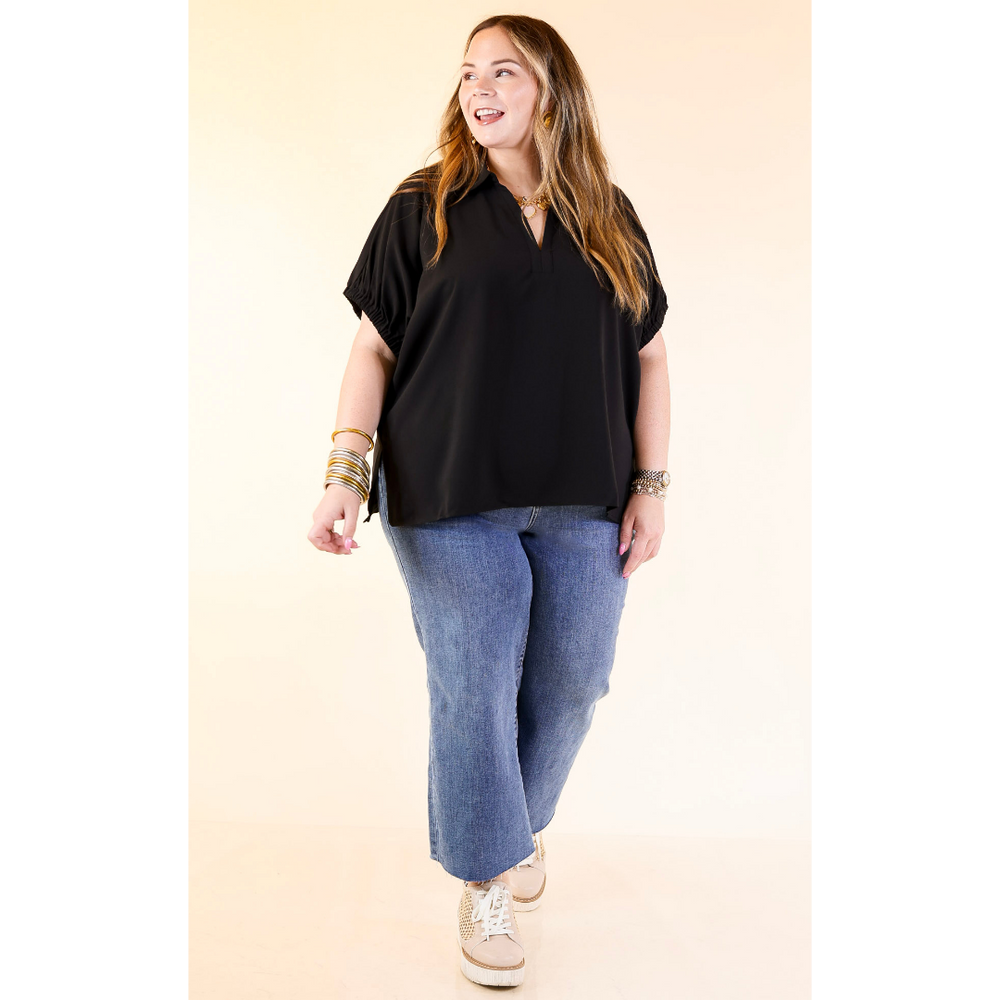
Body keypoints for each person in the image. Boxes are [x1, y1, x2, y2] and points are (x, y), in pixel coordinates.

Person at [307, 13, 671, 988]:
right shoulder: (422, 205)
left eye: (504, 70)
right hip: (447, 489)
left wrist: (651, 485)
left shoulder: (609, 215)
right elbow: (372, 349)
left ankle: (512, 825)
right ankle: (486, 877)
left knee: (574, 680)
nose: (480, 87)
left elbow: (649, 357)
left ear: (552, 90)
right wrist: (345, 472)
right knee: (474, 680)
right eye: (470, 71)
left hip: (586, 496)